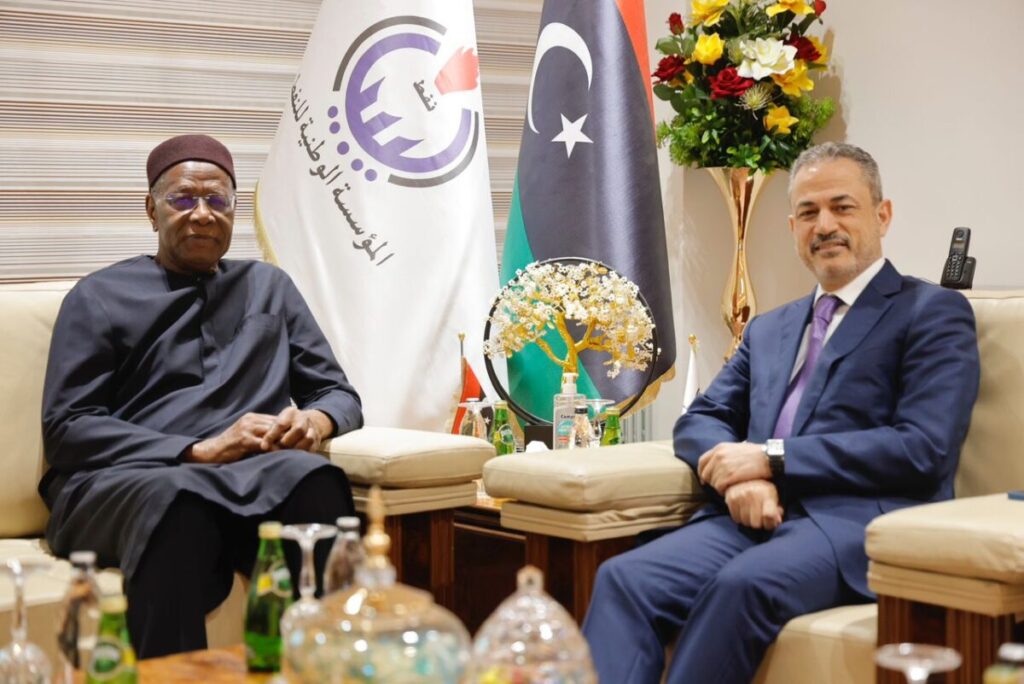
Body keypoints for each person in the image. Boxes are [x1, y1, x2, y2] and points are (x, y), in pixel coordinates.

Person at [582, 142, 980, 682]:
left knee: (740, 587)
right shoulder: (770, 328)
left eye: (843, 207)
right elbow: (700, 420)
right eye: (809, 212)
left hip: (853, 523)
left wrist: (771, 459)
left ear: (882, 216)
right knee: (625, 580)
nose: (825, 225)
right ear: (793, 227)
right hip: (750, 517)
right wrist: (740, 478)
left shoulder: (931, 312)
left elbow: (923, 448)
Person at [39, 134, 364, 658]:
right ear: (151, 210)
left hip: (246, 476)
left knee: (315, 479)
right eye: (183, 199)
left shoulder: (269, 288)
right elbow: (67, 428)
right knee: (178, 499)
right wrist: (194, 450)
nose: (203, 214)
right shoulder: (98, 296)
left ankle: (322, 663)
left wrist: (316, 421)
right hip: (130, 480)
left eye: (218, 200)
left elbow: (336, 393)